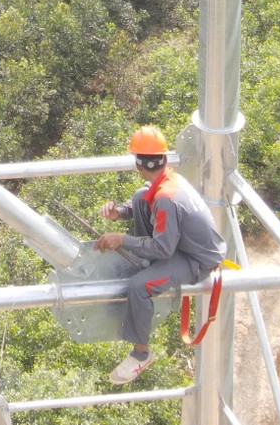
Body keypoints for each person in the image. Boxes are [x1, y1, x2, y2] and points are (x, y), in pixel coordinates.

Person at [93, 125, 226, 384]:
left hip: (196, 260)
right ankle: (150, 263)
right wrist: (119, 212)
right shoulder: (168, 179)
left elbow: (164, 248)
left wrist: (122, 240)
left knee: (138, 286)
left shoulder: (166, 198)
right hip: (183, 245)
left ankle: (141, 354)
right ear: (163, 159)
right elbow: (145, 201)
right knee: (141, 196)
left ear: (138, 164)